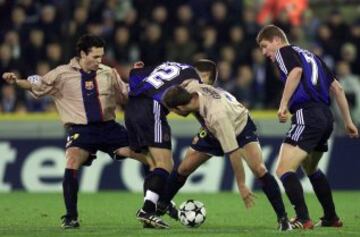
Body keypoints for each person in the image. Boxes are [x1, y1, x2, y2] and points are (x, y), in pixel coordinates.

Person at [2, 34, 152, 229]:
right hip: (81, 130)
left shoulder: (108, 72)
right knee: (72, 160)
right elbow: (35, 84)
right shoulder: (62, 74)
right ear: (82, 54)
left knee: (149, 158)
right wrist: (16, 81)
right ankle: (71, 216)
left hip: (109, 128)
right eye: (96, 57)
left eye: (101, 56)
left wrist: (139, 80)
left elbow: (126, 94)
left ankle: (153, 206)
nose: (100, 61)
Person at [161, 66, 294, 230]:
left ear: (180, 108)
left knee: (259, 169)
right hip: (211, 130)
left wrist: (242, 185)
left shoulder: (217, 116)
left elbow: (233, 152)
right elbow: (196, 78)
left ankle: (283, 219)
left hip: (239, 126)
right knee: (183, 168)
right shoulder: (189, 86)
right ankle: (162, 205)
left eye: (173, 111)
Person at [256, 25, 359, 229]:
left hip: (307, 114)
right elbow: (337, 89)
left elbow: (295, 71)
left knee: (284, 169)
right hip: (326, 117)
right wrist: (348, 122)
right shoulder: (312, 56)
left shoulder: (284, 52)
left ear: (277, 40)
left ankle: (303, 218)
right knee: (311, 168)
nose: (264, 52)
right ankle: (331, 217)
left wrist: (283, 105)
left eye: (265, 46)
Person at [126, 60, 214, 229]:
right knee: (166, 164)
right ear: (206, 76)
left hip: (131, 107)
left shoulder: (169, 64)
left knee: (153, 163)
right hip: (152, 107)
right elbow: (188, 108)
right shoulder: (194, 80)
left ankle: (153, 207)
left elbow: (134, 74)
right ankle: (148, 210)